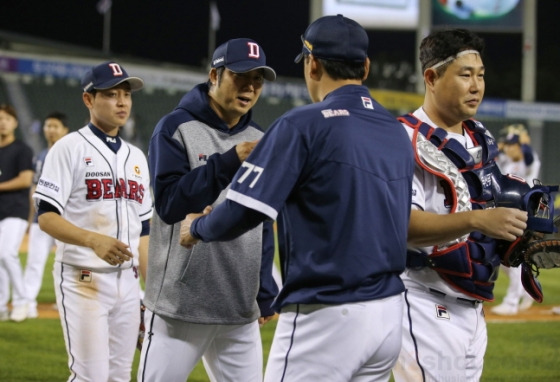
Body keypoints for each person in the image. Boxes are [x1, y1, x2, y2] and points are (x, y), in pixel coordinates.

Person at [180, 15, 415, 382]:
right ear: (365, 67)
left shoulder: (303, 124)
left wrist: (198, 228)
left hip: (328, 315)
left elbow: (243, 211)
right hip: (389, 315)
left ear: (313, 63)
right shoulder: (398, 131)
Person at [393, 29, 556, 381]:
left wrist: (521, 228)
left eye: (480, 75)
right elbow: (401, 224)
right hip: (422, 300)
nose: (476, 85)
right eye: (465, 75)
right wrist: (481, 220)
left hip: (472, 306)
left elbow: (489, 197)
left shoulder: (478, 134)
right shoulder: (403, 138)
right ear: (432, 77)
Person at [137, 38, 279, 382]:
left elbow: (261, 217)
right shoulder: (175, 128)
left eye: (258, 79)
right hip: (179, 308)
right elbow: (170, 205)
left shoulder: (260, 135)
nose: (250, 87)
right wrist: (231, 160)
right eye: (241, 76)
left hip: (239, 310)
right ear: (214, 75)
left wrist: (263, 288)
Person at [32, 61, 152, 381]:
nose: (122, 102)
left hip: (128, 282)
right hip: (82, 277)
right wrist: (92, 239)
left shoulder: (137, 157)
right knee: (90, 376)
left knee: (119, 375)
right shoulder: (68, 148)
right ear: (89, 99)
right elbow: (45, 216)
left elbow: (145, 229)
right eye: (111, 94)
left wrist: (152, 290)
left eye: (126, 94)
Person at [23, 111, 69, 319]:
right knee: (34, 260)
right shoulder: (41, 155)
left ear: (64, 130)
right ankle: (27, 302)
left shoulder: (70, 153)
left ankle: (66, 302)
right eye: (47, 125)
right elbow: (34, 188)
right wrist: (30, 218)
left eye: (55, 126)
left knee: (68, 263)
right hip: (40, 217)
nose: (50, 129)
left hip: (64, 219)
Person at [491, 125, 541, 315]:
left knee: (513, 256)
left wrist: (521, 139)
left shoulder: (530, 160)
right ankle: (526, 291)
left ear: (520, 146)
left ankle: (511, 302)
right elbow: (493, 155)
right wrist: (502, 146)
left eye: (514, 145)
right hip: (507, 210)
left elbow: (527, 153)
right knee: (503, 258)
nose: (511, 148)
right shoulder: (508, 163)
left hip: (524, 210)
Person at [0, 104, 34, 322]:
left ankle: (23, 302)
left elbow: (25, 180)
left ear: (15, 123)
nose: (3, 122)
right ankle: (2, 306)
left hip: (16, 210)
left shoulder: (23, 149)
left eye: (7, 118)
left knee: (6, 254)